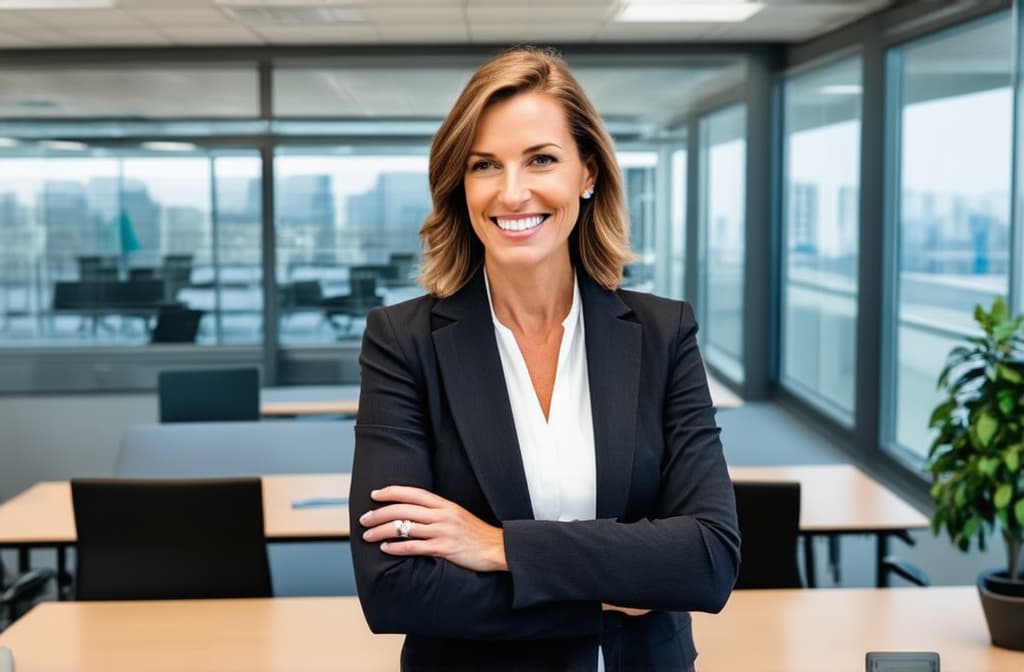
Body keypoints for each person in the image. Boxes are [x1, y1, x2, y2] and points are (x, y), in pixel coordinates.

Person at [350, 46, 739, 672]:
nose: (512, 191)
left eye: (541, 159)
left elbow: (707, 559)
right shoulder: (403, 341)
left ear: (587, 173)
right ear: (459, 184)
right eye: (484, 165)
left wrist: (499, 546)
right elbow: (394, 589)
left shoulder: (664, 333)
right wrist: (613, 593)